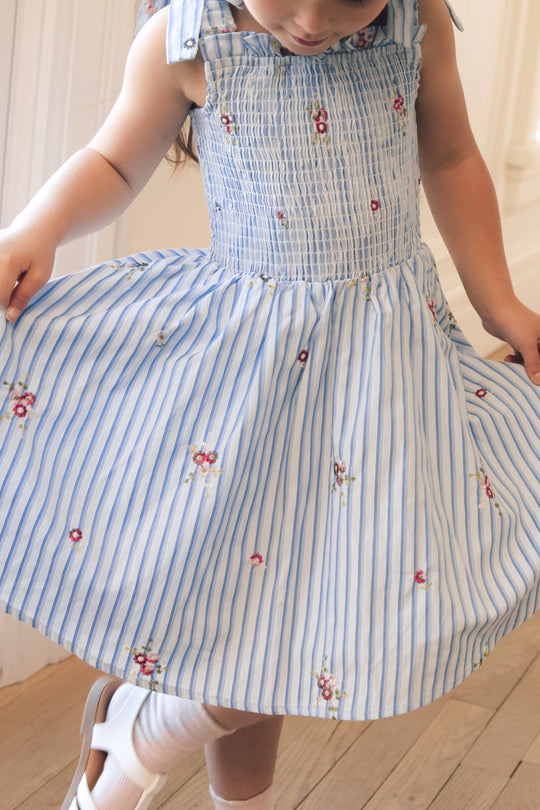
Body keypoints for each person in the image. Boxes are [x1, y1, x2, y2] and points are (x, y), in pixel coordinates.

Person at [0, 0, 539, 807]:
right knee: (253, 613)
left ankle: (143, 728)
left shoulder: (413, 29)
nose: (314, 23)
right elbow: (114, 162)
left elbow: (454, 156)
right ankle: (169, 754)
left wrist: (501, 304)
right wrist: (39, 227)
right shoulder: (186, 41)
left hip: (383, 376)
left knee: (334, 618)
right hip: (247, 375)